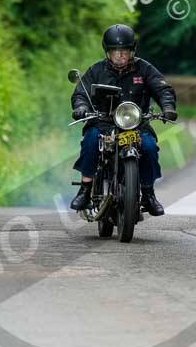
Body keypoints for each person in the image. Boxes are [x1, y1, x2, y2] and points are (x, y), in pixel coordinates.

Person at [70, 24, 177, 216]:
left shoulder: (144, 69)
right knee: (90, 140)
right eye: (115, 51)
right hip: (103, 123)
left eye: (125, 51)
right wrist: (81, 107)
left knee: (150, 147)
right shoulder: (96, 70)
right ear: (107, 52)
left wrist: (168, 107)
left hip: (136, 125)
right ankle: (85, 189)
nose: (120, 55)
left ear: (132, 51)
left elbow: (163, 89)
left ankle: (148, 193)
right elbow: (81, 93)